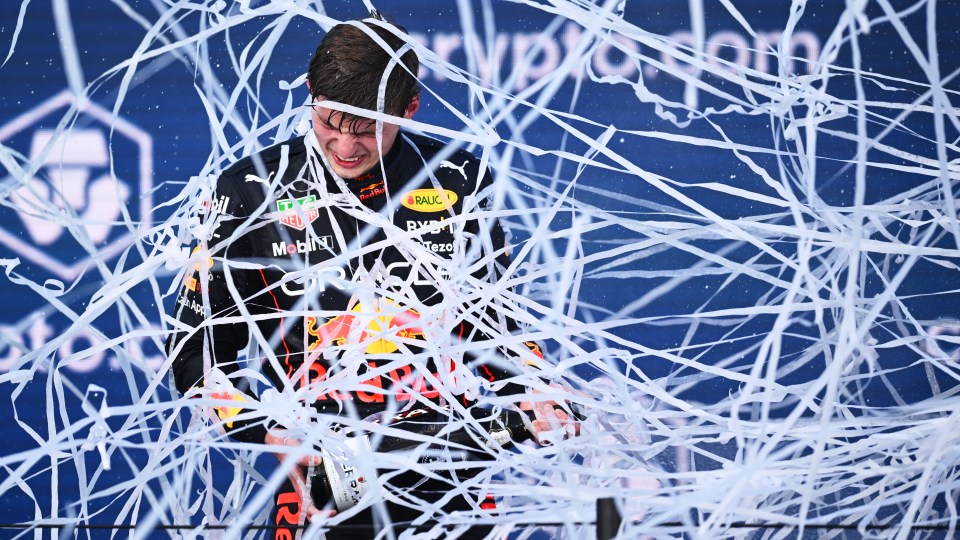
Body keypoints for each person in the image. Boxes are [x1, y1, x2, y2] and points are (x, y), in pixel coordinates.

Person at [167, 11, 577, 539]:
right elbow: (194, 358)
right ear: (310, 92)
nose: (344, 148)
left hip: (455, 480)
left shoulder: (457, 181)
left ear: (410, 109)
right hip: (325, 483)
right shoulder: (248, 191)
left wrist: (533, 385)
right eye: (328, 124)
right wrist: (271, 432)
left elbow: (495, 326)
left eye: (366, 130)